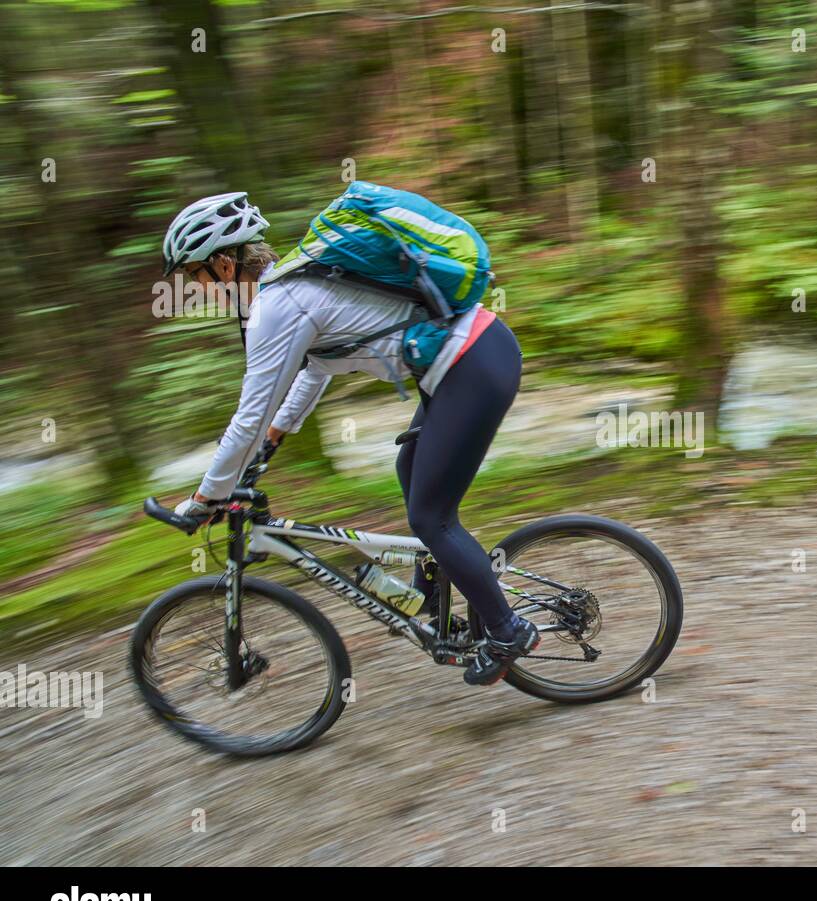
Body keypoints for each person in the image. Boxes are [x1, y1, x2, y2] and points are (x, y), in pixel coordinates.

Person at [162, 191, 539, 686]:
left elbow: (248, 415)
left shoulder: (278, 305)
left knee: (431, 515)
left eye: (195, 276)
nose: (197, 289)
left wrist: (206, 495)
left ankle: (507, 630)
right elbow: (312, 371)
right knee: (410, 471)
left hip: (471, 366)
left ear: (224, 266)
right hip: (466, 360)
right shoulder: (291, 286)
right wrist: (275, 439)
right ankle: (432, 595)